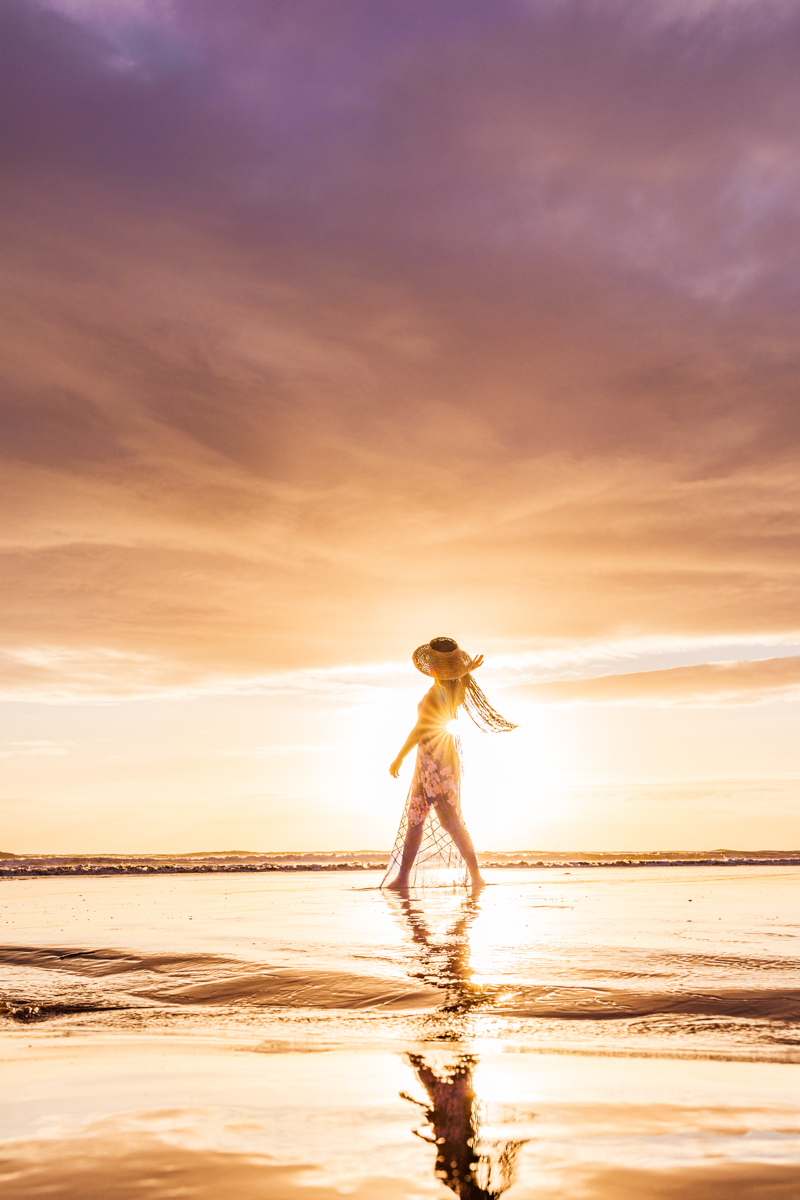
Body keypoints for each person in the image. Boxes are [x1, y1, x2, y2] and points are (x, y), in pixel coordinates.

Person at [383, 636, 517, 891]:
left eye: (433, 663)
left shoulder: (436, 691)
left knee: (421, 820)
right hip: (442, 762)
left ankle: (405, 878)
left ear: (434, 668)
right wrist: (465, 672)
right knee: (444, 820)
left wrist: (400, 755)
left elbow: (421, 727)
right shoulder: (456, 689)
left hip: (432, 764)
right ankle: (473, 876)